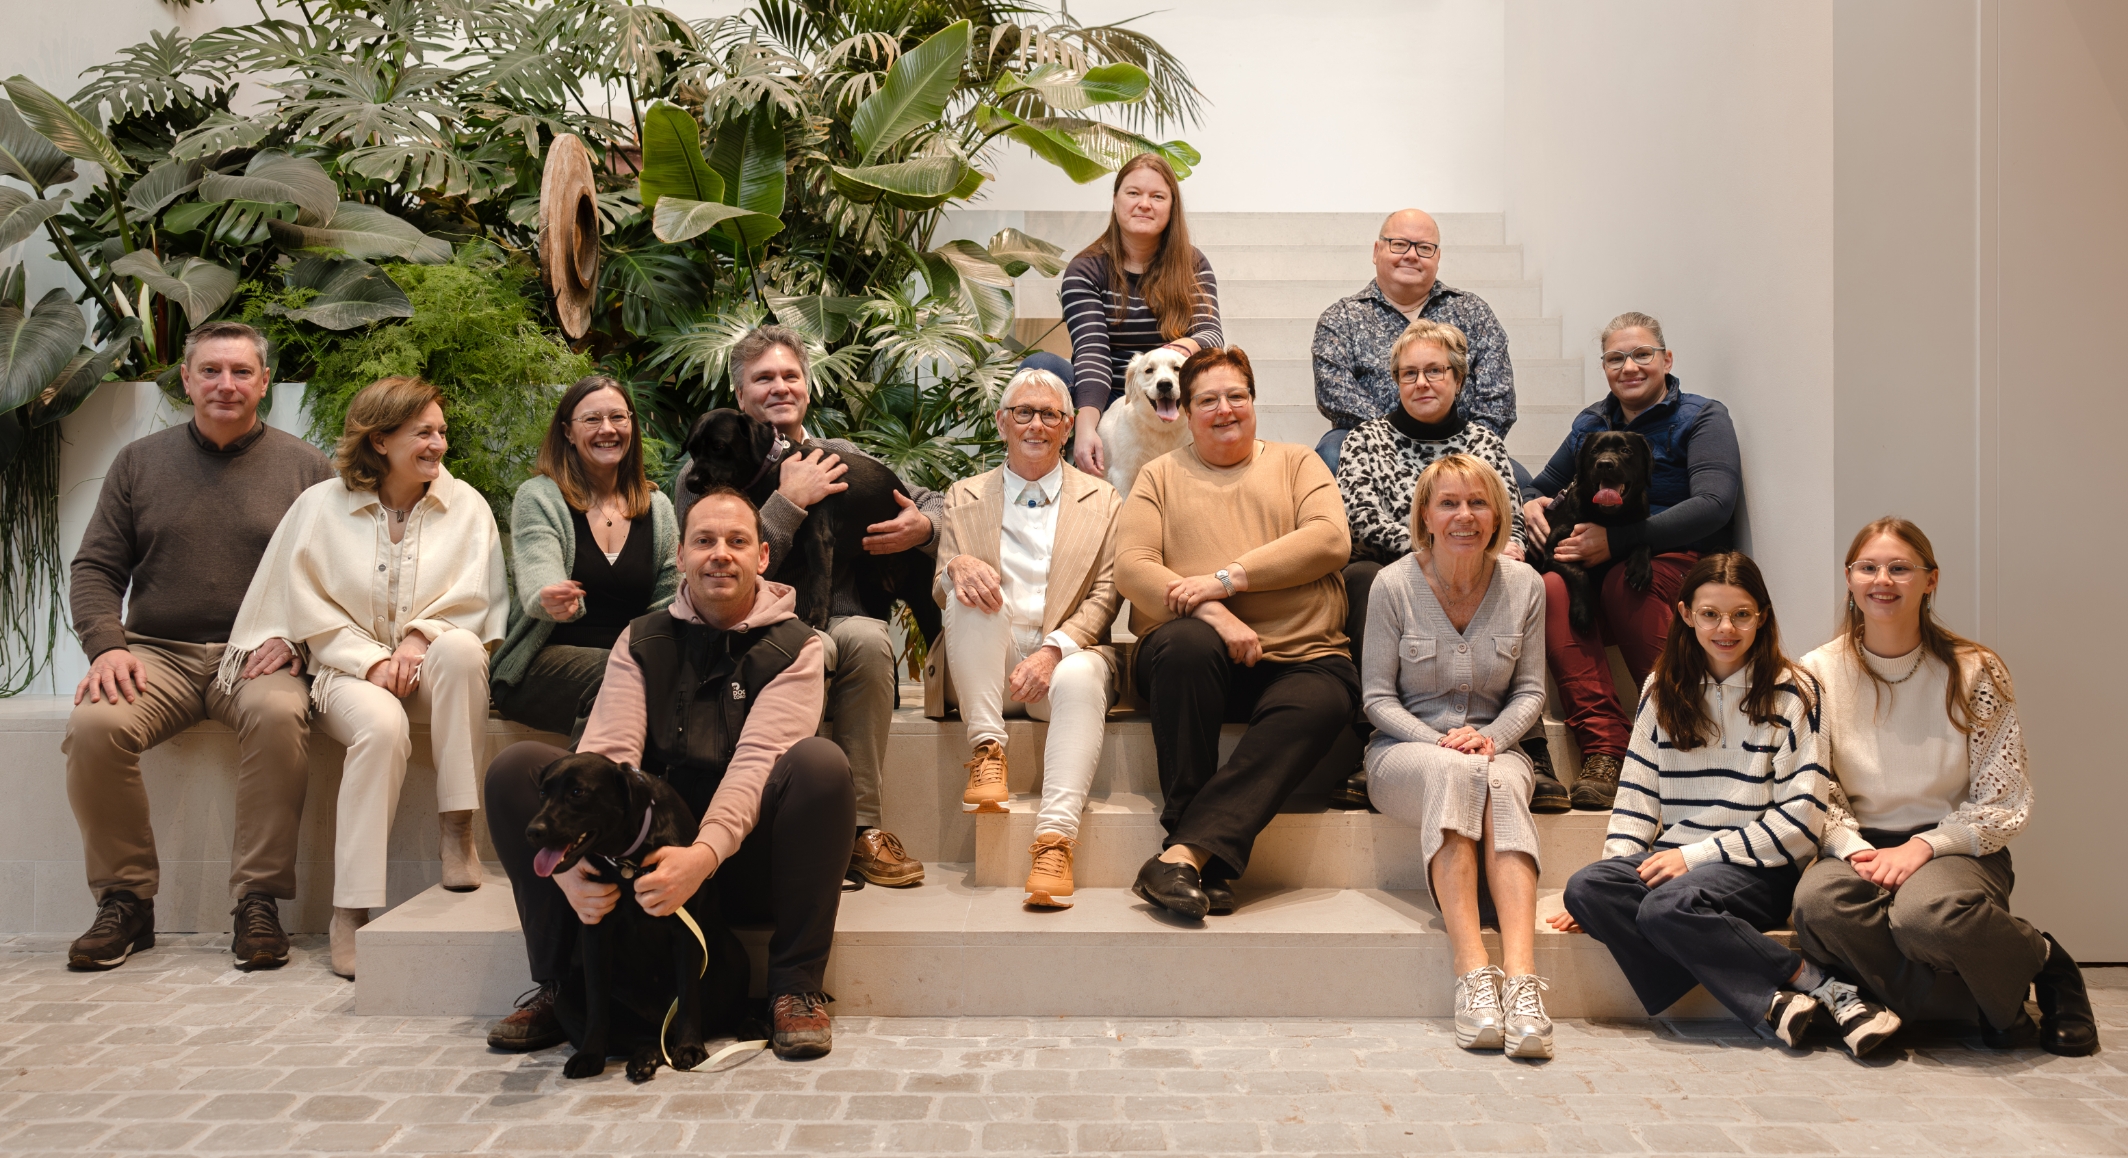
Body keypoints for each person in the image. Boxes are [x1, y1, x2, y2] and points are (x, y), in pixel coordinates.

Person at [482, 486, 854, 1060]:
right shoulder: (643, 637)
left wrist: (700, 860)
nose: (719, 554)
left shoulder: (797, 647)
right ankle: (560, 984)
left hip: (743, 861)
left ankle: (795, 989)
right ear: (680, 556)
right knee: (515, 770)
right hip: (641, 865)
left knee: (821, 766)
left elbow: (756, 764)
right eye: (703, 541)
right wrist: (572, 869)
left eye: (736, 541)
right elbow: (609, 757)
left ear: (762, 557)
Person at [62, 321, 334, 972]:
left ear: (265, 384)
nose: (225, 384)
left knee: (278, 714)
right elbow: (96, 568)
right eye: (210, 370)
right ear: (185, 380)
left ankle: (259, 902)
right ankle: (126, 902)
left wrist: (300, 642)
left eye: (242, 372)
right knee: (95, 727)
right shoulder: (139, 463)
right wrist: (106, 646)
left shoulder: (306, 468)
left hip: (255, 655)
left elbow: (334, 576)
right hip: (156, 651)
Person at [222, 377, 507, 979]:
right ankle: (350, 910)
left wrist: (416, 637)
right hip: (345, 673)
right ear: (381, 440)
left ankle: (458, 829)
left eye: (441, 432)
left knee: (458, 651)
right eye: (424, 433)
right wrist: (369, 660)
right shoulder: (320, 506)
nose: (439, 445)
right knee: (379, 727)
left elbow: (476, 600)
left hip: (432, 670)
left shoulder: (469, 507)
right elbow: (303, 605)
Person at [1790, 518, 2096, 1056]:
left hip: (1956, 845)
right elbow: (1816, 790)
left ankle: (2047, 961)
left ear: (1930, 581)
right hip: (1860, 842)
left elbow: (2004, 801)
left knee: (1926, 915)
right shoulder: (1815, 672)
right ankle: (1955, 997)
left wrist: (1922, 847)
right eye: (1869, 567)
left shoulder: (1975, 669)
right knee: (1817, 904)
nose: (1882, 579)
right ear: (1849, 578)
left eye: (1900, 568)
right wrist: (1857, 850)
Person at [1553, 554, 1869, 1049]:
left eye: (1741, 614)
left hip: (1761, 867)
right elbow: (1637, 794)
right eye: (1710, 614)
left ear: (1761, 615)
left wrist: (1694, 857)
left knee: (1664, 907)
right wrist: (1613, 886)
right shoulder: (1662, 688)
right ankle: (1774, 998)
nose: (1726, 628)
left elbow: (1802, 820)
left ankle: (1808, 980)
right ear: (1684, 614)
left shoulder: (1795, 692)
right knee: (1586, 888)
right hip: (1678, 861)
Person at [672, 325, 939, 889]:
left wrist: (925, 524)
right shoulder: (702, 473)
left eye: (790, 376)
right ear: (740, 395)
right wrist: (788, 501)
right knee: (809, 648)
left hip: (838, 612)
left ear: (808, 389)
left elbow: (934, 499)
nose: (779, 387)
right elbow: (715, 572)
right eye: (762, 378)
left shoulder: (838, 455)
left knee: (866, 641)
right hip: (751, 619)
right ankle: (792, 827)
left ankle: (864, 828)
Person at [1115, 346, 1357, 920]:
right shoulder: (1159, 475)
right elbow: (1132, 566)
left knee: (1326, 698)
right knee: (1186, 646)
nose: (1224, 410)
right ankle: (1200, 848)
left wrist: (1226, 581)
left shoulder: (1299, 463)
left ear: (1253, 401)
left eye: (1236, 397)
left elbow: (1330, 539)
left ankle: (1185, 857)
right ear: (1189, 412)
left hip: (1301, 653)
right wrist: (1212, 613)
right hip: (1198, 661)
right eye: (1208, 400)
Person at [1362, 455, 1552, 1057]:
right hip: (1405, 754)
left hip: (1497, 749)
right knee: (1457, 769)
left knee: (1492, 779)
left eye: (1477, 502)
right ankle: (1472, 973)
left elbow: (1530, 691)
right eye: (1448, 503)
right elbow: (1376, 698)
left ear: (1497, 513)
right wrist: (1438, 740)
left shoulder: (1525, 585)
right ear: (1425, 514)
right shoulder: (1392, 585)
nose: (1464, 516)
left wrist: (1493, 737)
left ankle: (1521, 983)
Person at [1336, 319, 1560, 813]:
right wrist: (1434, 554)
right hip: (1396, 570)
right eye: (1409, 373)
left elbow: (1509, 520)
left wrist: (1497, 550)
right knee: (1362, 579)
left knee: (1520, 580)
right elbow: (1361, 521)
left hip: (1477, 566)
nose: (1422, 382)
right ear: (1395, 381)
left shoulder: (1484, 441)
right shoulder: (1365, 440)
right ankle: (1371, 738)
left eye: (1435, 370)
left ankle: (1530, 745)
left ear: (1458, 380)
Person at [1521, 312, 1740, 810]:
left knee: (1626, 581)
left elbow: (1713, 505)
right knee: (1550, 588)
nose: (1630, 367)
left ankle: (1683, 733)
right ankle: (1605, 748)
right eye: (1616, 358)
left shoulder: (1702, 417)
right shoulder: (1592, 423)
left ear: (1666, 359)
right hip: (1595, 569)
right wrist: (1533, 502)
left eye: (1642, 354)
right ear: (1604, 368)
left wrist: (1617, 542)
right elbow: (1541, 482)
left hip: (1672, 560)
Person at [924, 367, 1123, 908]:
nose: (1036, 424)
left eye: (1050, 415)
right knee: (972, 594)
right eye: (1023, 413)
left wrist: (1055, 649)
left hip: (1063, 660)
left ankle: (1054, 843)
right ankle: (987, 751)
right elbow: (942, 587)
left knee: (1083, 674)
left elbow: (1106, 596)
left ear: (1066, 429)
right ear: (1002, 423)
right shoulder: (964, 495)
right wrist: (958, 566)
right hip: (986, 666)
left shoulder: (1104, 500)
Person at [492, 376, 679, 741]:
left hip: (635, 659)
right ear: (567, 432)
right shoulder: (540, 498)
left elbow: (669, 600)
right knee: (621, 675)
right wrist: (550, 598)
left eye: (618, 418)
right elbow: (538, 570)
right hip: (540, 663)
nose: (607, 429)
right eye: (592, 420)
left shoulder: (657, 508)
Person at [1045, 152, 1223, 479]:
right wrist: (1086, 428)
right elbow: (1092, 353)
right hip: (1111, 391)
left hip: (1174, 387)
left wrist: (1175, 354)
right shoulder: (1085, 270)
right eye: (1133, 193)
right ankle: (1048, 492)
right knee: (1041, 368)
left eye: (1157, 196)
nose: (1144, 203)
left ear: (1172, 207)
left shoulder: (1193, 264)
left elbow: (1211, 339)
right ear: (1115, 201)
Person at [1310, 209, 1515, 474]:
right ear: (1376, 251)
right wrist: (1403, 439)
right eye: (1399, 244)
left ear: (1437, 257)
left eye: (1425, 248)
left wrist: (1457, 451)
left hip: (1462, 450)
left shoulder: (1474, 313)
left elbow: (1498, 400)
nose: (1411, 255)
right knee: (1330, 452)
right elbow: (1335, 397)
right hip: (1373, 450)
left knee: (1519, 481)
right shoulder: (1341, 318)